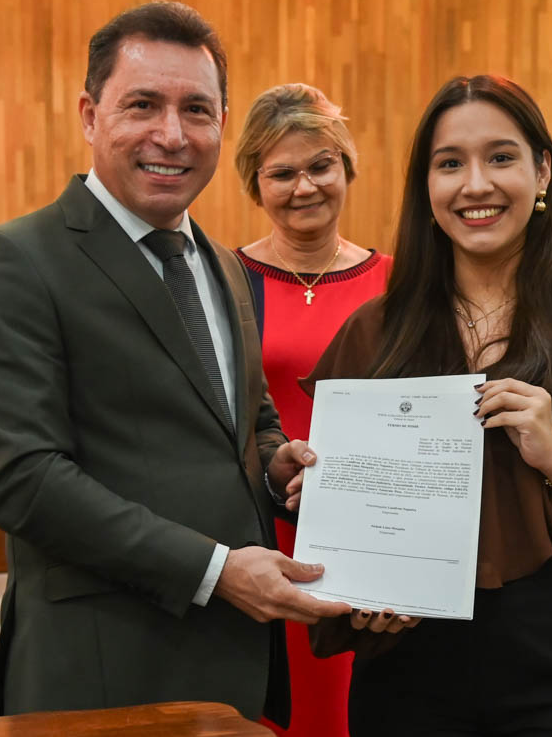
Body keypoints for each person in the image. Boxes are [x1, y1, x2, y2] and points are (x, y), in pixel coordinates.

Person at [0, 1, 349, 724]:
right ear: (89, 115)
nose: (172, 134)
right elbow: (25, 481)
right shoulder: (13, 262)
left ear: (222, 124)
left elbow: (244, 416)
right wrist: (217, 571)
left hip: (235, 662)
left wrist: (275, 461)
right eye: (143, 105)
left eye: (197, 109)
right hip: (105, 669)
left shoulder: (223, 265)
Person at [305, 75, 552, 736]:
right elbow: (337, 504)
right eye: (449, 164)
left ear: (542, 170)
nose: (475, 185)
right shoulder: (374, 334)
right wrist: (352, 571)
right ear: (425, 186)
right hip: (410, 666)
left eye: (500, 157)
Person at [232, 84, 392, 737]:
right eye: (282, 173)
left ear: (347, 167)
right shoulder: (224, 281)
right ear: (255, 184)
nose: (305, 187)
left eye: (321, 165)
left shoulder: (398, 283)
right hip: (258, 544)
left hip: (373, 539)